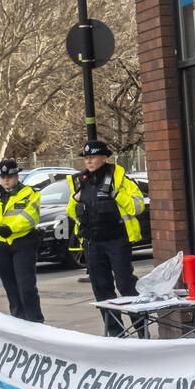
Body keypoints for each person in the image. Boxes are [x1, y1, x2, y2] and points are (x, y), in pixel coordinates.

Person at [65, 140, 147, 336]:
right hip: (92, 242)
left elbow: (138, 207)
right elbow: (72, 212)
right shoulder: (80, 181)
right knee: (101, 288)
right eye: (86, 158)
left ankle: (142, 330)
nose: (89, 161)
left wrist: (117, 194)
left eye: (92, 157)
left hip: (116, 240)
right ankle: (115, 333)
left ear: (104, 157)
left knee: (126, 284)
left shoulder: (120, 178)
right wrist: (75, 201)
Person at [0, 158, 43, 323]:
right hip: (0, 244)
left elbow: (31, 216)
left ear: (17, 176)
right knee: (10, 286)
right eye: (3, 177)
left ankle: (35, 321)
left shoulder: (30, 193)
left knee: (26, 286)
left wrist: (10, 228)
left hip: (23, 242)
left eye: (10, 176)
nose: (6, 180)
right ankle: (18, 320)